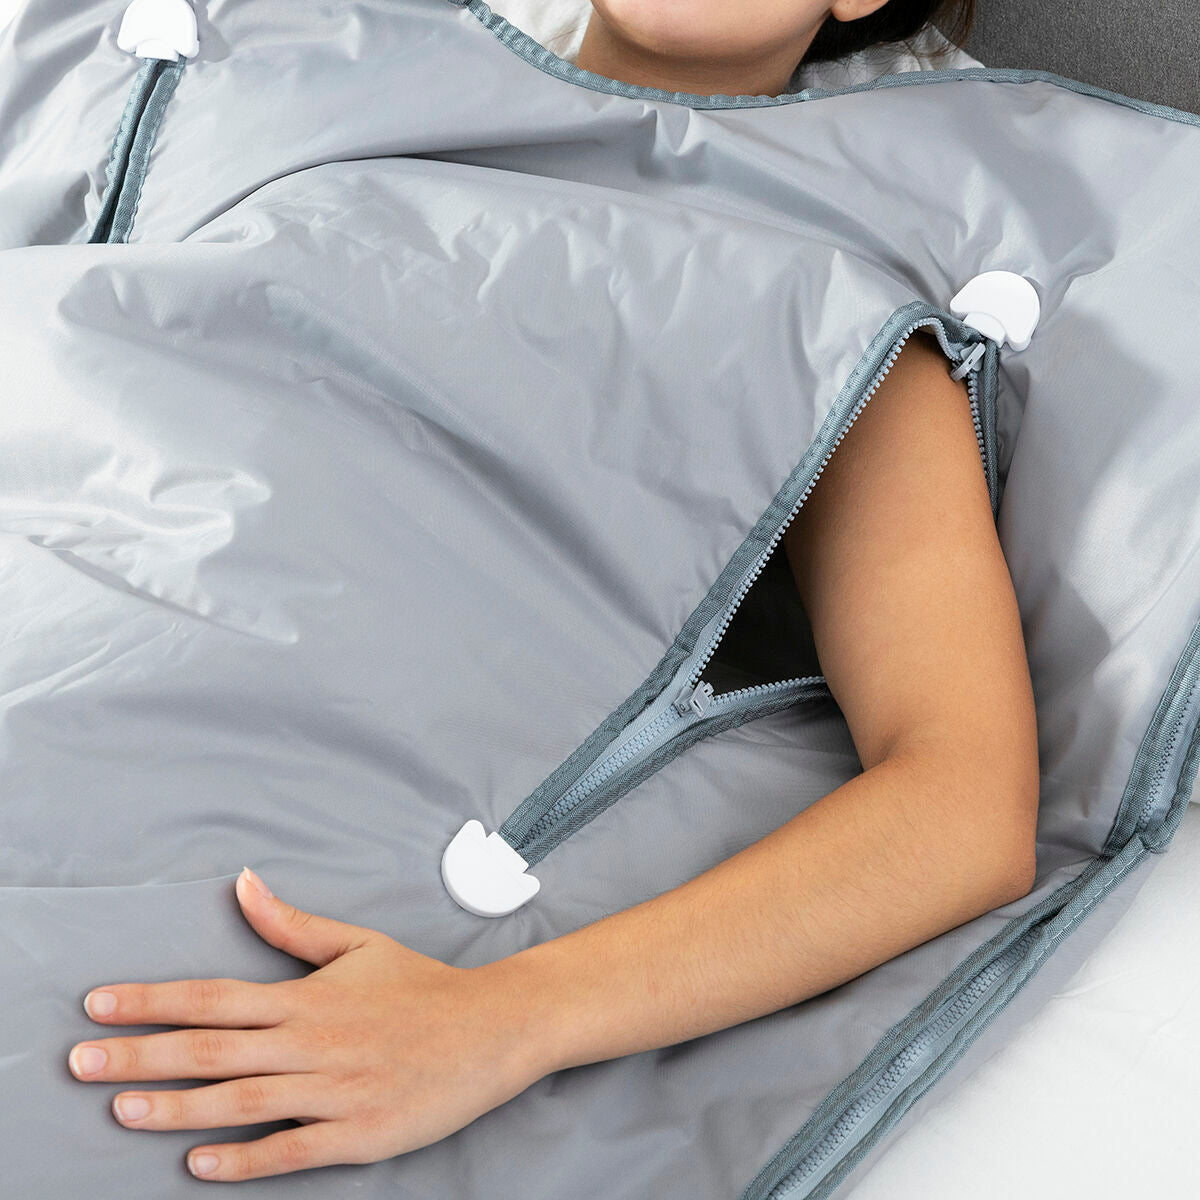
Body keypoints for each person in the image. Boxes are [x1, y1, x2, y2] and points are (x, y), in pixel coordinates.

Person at [66, 0, 1040, 1183]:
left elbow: (964, 805)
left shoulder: (835, 319)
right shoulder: (296, 81)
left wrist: (508, 1019)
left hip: (212, 756)